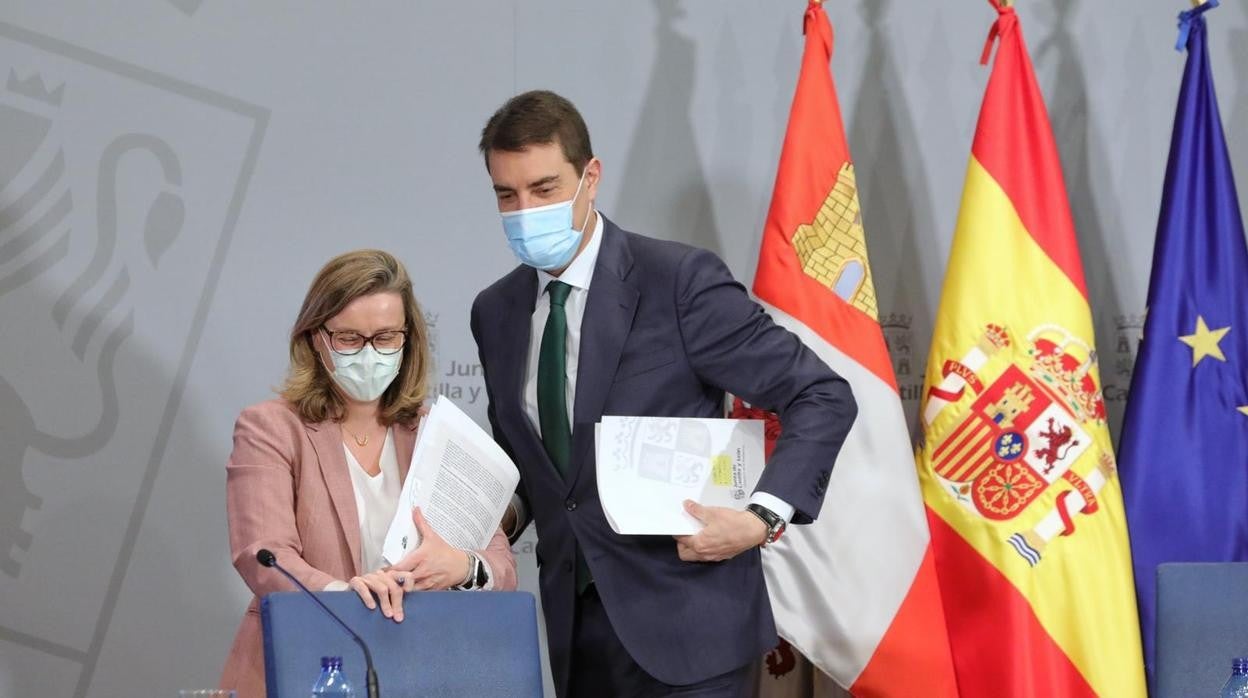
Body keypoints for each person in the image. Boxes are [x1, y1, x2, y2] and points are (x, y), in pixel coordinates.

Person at [471, 91, 857, 697]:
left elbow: (822, 395)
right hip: (576, 631)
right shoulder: (495, 311)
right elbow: (533, 473)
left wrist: (761, 518)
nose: (525, 210)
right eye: (506, 195)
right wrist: (473, 532)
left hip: (690, 626)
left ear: (590, 178)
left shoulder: (677, 281)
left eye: (544, 189)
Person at [220, 249, 517, 698]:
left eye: (385, 338)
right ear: (315, 338)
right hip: (304, 663)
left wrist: (460, 566)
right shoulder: (271, 427)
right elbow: (264, 555)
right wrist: (349, 593)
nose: (369, 353)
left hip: (423, 666)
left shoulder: (436, 434)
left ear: (408, 339)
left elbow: (501, 567)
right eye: (349, 339)